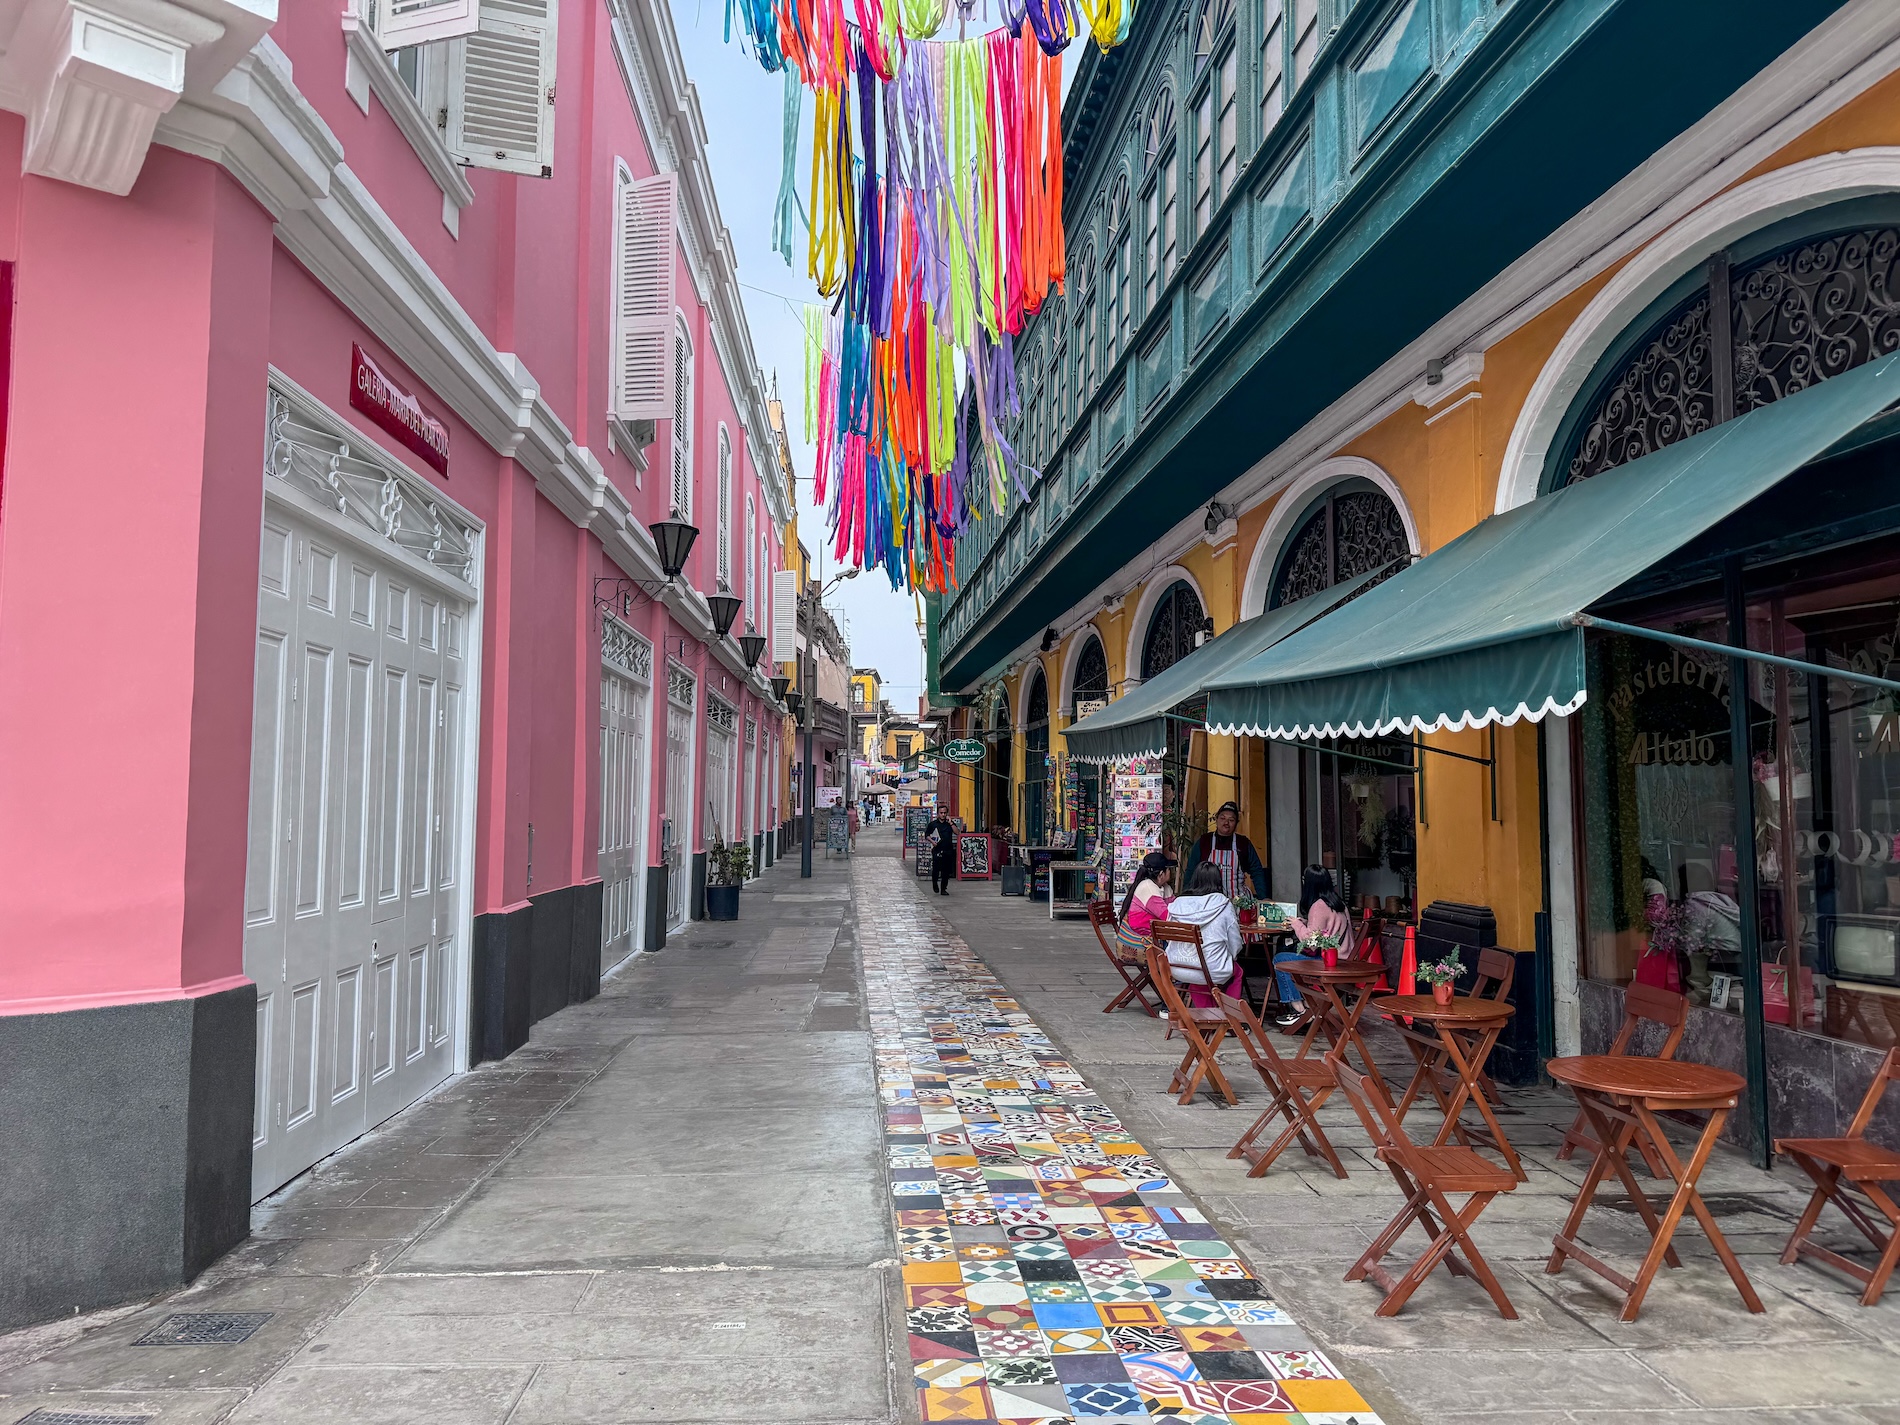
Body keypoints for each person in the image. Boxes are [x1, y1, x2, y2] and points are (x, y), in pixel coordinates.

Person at [1275, 866, 1355, 1029]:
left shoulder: (1318, 906)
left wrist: (1297, 924)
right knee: (1289, 956)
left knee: (1280, 960)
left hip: (1329, 962)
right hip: (1344, 959)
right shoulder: (1338, 902)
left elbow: (1309, 941)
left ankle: (1299, 1009)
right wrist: (1305, 923)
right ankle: (1309, 1005)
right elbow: (1324, 929)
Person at [1164, 862, 1247, 1007]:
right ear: (1218, 881)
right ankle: (1232, 1017)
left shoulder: (1177, 904)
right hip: (1212, 968)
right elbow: (1235, 942)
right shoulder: (1223, 904)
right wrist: (1230, 956)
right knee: (1235, 972)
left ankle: (1205, 1014)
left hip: (1177, 966)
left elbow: (1168, 937)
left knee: (1198, 975)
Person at [1182, 801, 1268, 901]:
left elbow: (1256, 871)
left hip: (1238, 903)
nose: (1226, 823)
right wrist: (1186, 895)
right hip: (1208, 903)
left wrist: (1263, 896)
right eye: (1222, 818)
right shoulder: (1204, 842)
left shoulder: (1243, 843)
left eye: (1231, 820)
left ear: (1236, 823)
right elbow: (1191, 870)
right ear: (1216, 819)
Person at [1115, 851, 1176, 957]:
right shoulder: (1148, 888)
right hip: (1142, 941)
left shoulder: (1164, 887)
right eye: (1168, 869)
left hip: (1154, 935)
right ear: (1161, 874)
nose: (1171, 872)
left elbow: (1175, 907)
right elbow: (1167, 916)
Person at [925, 811, 957, 895]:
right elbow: (927, 835)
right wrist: (932, 842)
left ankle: (943, 888)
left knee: (945, 871)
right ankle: (935, 883)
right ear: (938, 814)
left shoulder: (949, 824)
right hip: (937, 849)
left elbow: (957, 832)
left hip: (948, 849)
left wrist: (950, 822)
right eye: (941, 813)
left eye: (945, 813)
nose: (943, 814)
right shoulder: (933, 824)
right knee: (936, 869)